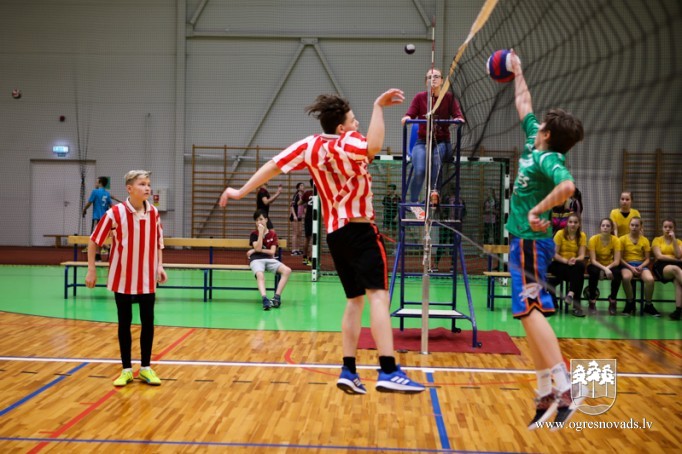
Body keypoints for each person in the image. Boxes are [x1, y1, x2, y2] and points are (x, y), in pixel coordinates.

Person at [219, 88, 425, 394]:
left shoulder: (309, 145)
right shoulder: (349, 141)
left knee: (354, 300)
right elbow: (374, 145)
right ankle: (388, 370)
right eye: (353, 120)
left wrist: (239, 191)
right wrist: (378, 107)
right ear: (341, 127)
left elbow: (273, 165)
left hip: (336, 235)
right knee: (378, 297)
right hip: (361, 230)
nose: (357, 124)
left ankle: (349, 370)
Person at [505, 50, 586, 429]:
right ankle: (544, 391)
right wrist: (518, 71)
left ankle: (566, 386)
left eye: (541, 126)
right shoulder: (532, 145)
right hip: (521, 244)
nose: (535, 125)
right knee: (526, 314)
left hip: (529, 243)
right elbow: (524, 104)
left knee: (531, 309)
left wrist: (538, 210)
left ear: (548, 135)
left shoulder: (547, 159)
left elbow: (567, 187)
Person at [85, 170, 167, 387]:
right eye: (142, 184)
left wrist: (159, 265)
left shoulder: (154, 213)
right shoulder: (115, 213)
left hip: (147, 278)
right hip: (122, 277)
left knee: (148, 323)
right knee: (124, 323)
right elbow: (94, 241)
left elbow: (159, 242)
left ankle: (146, 368)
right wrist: (91, 269)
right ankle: (126, 369)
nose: (147, 187)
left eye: (148, 183)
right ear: (129, 189)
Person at [401, 68, 464, 220]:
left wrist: (458, 120)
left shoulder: (449, 98)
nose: (433, 79)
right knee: (420, 170)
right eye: (429, 77)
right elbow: (409, 114)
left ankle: (434, 192)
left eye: (436, 77)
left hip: (442, 142)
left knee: (436, 156)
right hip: (422, 141)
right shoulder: (420, 97)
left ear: (442, 80)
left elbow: (459, 116)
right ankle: (414, 203)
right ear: (426, 82)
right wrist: (407, 118)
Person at [248, 210, 292, 310]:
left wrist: (254, 250)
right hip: (256, 260)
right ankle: (265, 299)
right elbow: (258, 248)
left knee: (287, 270)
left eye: (261, 219)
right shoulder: (254, 234)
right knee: (260, 275)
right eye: (256, 220)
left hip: (269, 259)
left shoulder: (272, 234)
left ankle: (276, 297)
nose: (259, 222)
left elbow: (272, 252)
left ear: (266, 220)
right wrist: (260, 234)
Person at [548, 213, 587, 317]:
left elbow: (582, 255)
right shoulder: (560, 234)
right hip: (559, 263)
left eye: (575, 222)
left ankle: (570, 294)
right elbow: (554, 254)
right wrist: (566, 261)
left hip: (573, 265)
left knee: (580, 267)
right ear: (567, 223)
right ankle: (576, 306)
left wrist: (575, 259)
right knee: (578, 275)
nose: (573, 224)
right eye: (570, 222)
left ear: (579, 224)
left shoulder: (582, 236)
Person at [619, 216, 659, 316]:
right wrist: (631, 267)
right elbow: (620, 258)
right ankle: (630, 303)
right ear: (629, 225)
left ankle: (648, 305)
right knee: (626, 278)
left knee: (650, 279)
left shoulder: (645, 240)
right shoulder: (622, 239)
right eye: (632, 225)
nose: (634, 227)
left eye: (637, 225)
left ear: (640, 227)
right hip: (627, 265)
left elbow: (647, 259)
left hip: (641, 265)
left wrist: (641, 266)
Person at [586, 218, 622, 315]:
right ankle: (592, 301)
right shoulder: (593, 239)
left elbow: (617, 261)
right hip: (596, 264)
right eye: (603, 225)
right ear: (600, 228)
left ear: (611, 229)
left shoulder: (616, 240)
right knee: (593, 272)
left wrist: (607, 268)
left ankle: (613, 299)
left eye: (608, 226)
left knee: (618, 273)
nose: (605, 228)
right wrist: (604, 269)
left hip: (610, 264)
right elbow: (593, 260)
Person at [651, 218, 682, 320]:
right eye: (665, 227)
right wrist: (676, 259)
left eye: (670, 227)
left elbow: (678, 255)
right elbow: (659, 256)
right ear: (662, 228)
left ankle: (678, 311)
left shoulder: (678, 242)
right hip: (660, 266)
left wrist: (674, 239)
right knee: (676, 269)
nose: (668, 229)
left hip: (676, 267)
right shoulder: (657, 240)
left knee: (678, 281)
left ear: (674, 229)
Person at [82, 176, 118, 261]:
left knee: (94, 237)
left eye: (97, 182)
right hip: (106, 219)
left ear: (100, 183)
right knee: (102, 236)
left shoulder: (95, 192)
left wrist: (84, 209)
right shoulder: (107, 194)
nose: (95, 183)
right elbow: (112, 206)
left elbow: (89, 203)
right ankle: (100, 255)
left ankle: (103, 250)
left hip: (97, 218)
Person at [289, 182, 305, 256]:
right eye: (301, 186)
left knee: (300, 233)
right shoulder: (296, 195)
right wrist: (294, 215)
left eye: (303, 186)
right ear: (298, 188)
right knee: (295, 233)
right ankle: (293, 250)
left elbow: (303, 207)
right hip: (294, 217)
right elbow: (292, 206)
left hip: (300, 217)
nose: (303, 187)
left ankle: (298, 249)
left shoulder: (303, 196)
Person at [301, 179, 314, 265]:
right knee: (314, 239)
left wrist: (306, 202)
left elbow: (299, 203)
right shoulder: (320, 193)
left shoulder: (307, 193)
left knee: (307, 238)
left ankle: (305, 258)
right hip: (315, 218)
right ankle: (310, 259)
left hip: (308, 218)